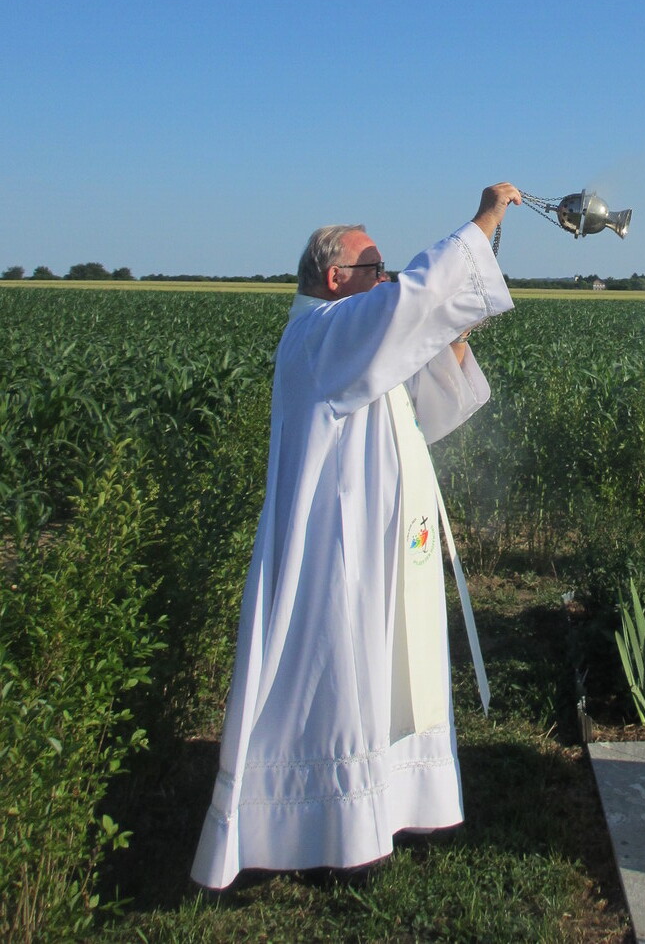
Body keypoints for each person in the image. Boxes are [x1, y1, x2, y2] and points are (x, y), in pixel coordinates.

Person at [191, 183, 521, 890]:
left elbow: (429, 405)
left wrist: (449, 332)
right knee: (347, 680)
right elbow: (411, 304)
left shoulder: (343, 336)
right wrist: (484, 222)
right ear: (337, 277)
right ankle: (331, 833)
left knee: (390, 674)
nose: (387, 277)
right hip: (339, 553)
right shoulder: (320, 332)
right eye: (375, 267)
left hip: (381, 544)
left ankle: (389, 810)